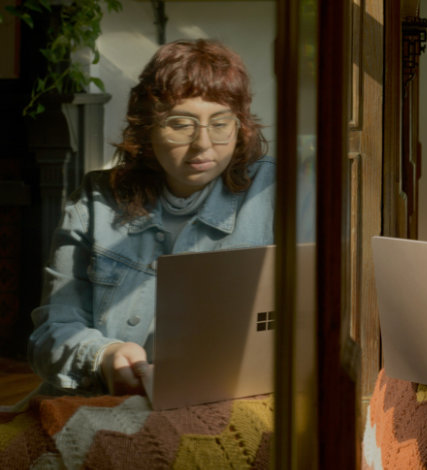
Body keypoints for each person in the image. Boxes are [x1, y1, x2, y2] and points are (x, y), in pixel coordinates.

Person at [28, 39, 275, 397]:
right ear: (147, 128)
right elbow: (52, 331)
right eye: (180, 124)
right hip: (103, 402)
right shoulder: (96, 201)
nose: (203, 145)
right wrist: (103, 357)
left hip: (230, 399)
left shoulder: (277, 194)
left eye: (220, 123)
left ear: (240, 127)